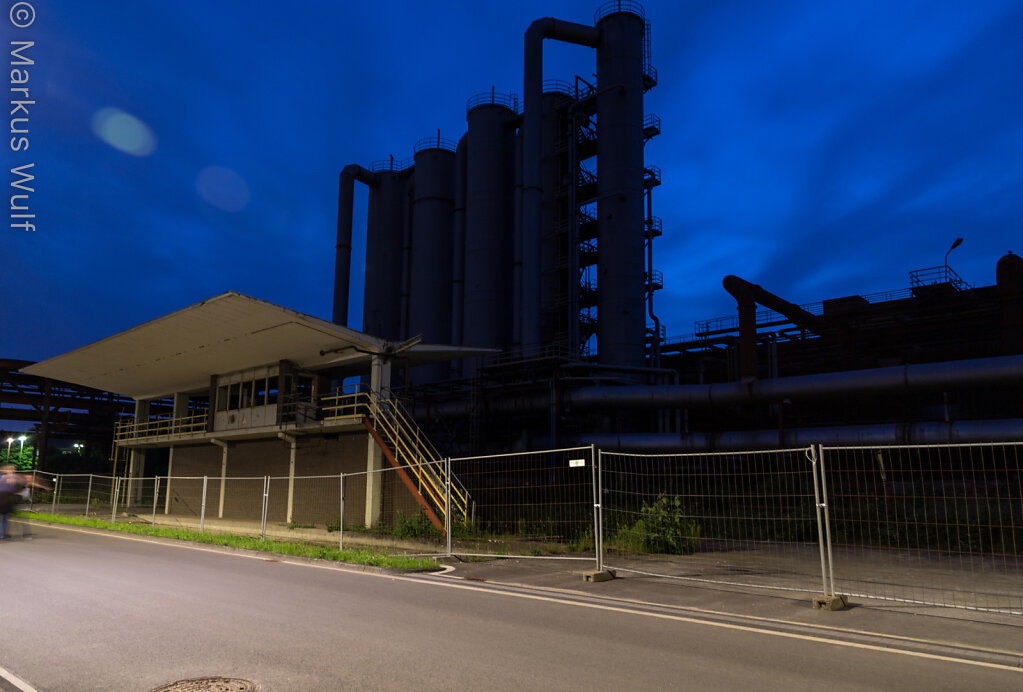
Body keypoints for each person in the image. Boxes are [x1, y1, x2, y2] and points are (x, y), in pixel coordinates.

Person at [0, 464, 48, 540]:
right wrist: (43, 487)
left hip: (3, 498)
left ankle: (3, 534)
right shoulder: (15, 477)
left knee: (4, 517)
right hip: (8, 499)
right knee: (11, 517)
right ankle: (24, 534)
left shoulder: (2, 477)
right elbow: (28, 482)